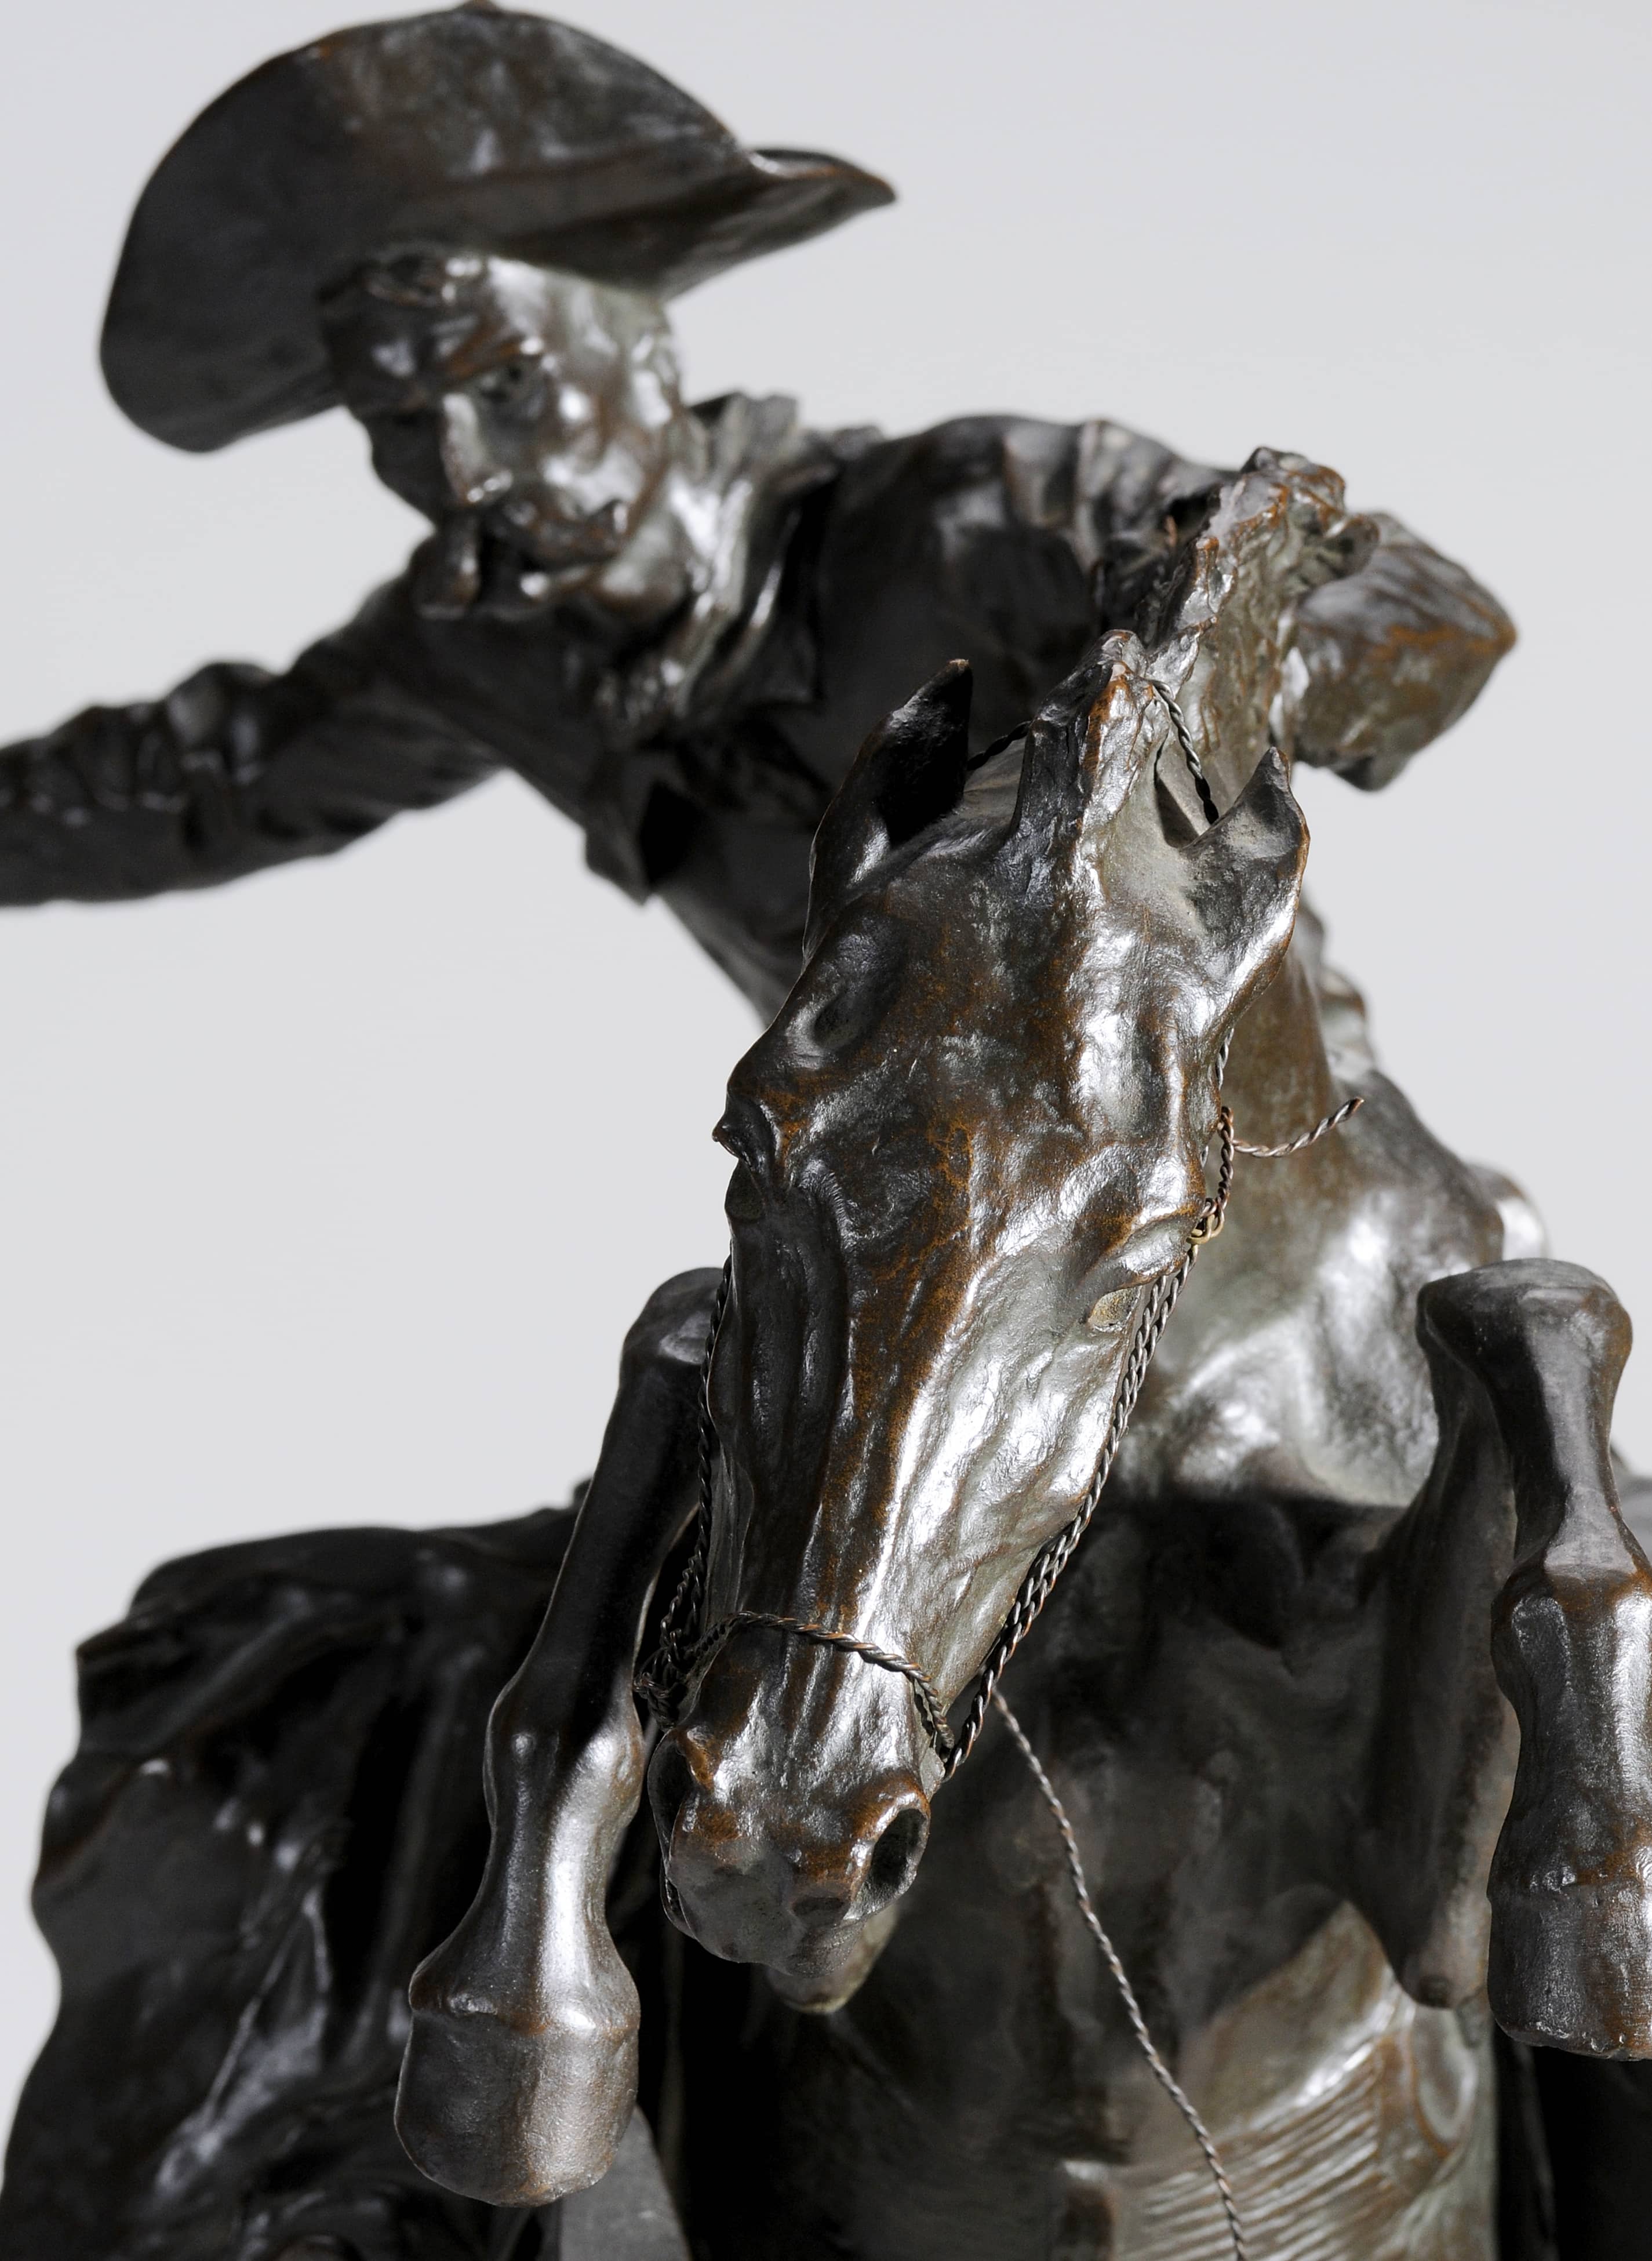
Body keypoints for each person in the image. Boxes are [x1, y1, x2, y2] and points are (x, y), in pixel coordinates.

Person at [1, 2, 1512, 1017]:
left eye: (508, 382)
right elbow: (194, 786)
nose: (462, 469)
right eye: (401, 421)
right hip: (895, 1228)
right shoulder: (483, 651)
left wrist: (1227, 687)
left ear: (647, 353)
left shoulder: (980, 512)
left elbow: (1407, 609)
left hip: (1239, 1158)